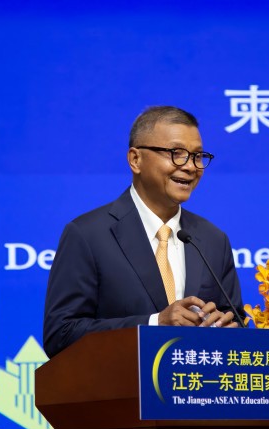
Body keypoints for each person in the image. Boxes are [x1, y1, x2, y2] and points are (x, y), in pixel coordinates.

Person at [43, 106, 244, 358]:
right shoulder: (88, 235)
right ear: (135, 160)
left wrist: (225, 329)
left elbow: (237, 325)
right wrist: (154, 323)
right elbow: (60, 335)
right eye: (176, 153)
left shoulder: (213, 240)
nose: (191, 167)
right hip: (120, 382)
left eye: (197, 156)